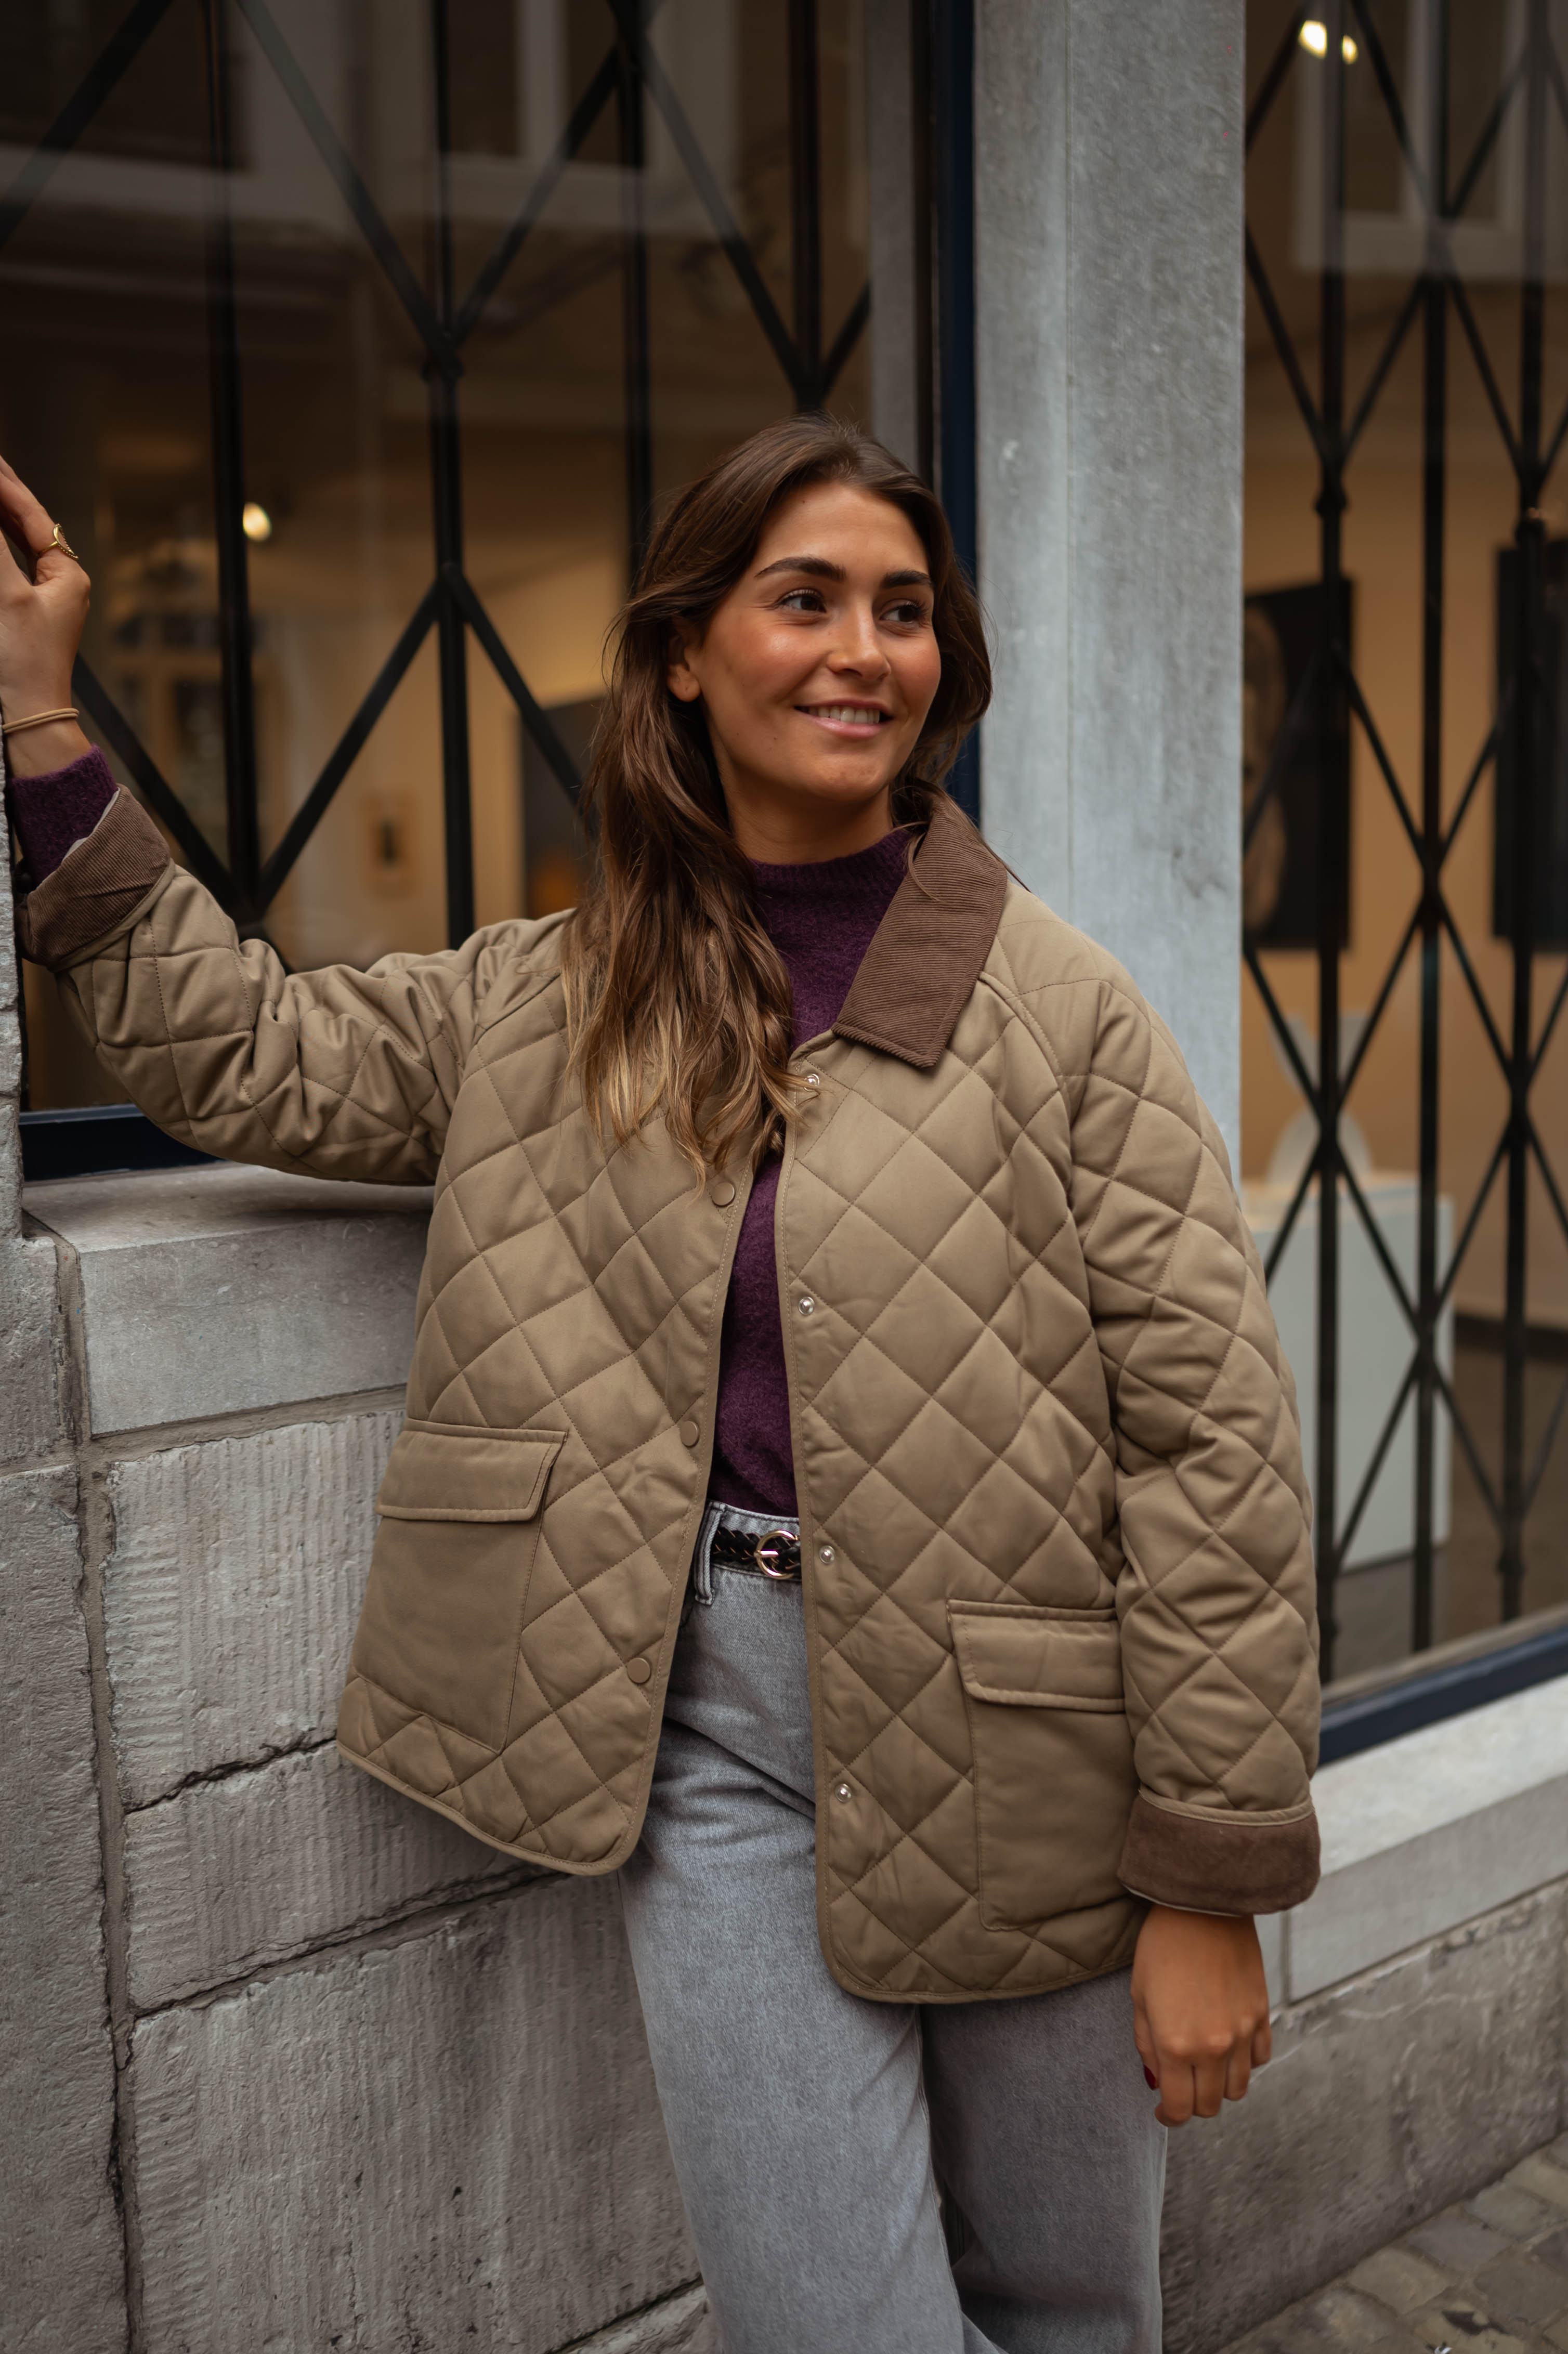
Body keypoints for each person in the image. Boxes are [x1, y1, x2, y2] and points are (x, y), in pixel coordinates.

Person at [0, 418, 1319, 2354]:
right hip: (704, 1739)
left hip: (1041, 1745)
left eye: (904, 609)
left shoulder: (1064, 1014)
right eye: (807, 600)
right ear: (687, 652)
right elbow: (247, 1056)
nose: (868, 649)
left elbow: (1212, 1443)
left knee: (1068, 2311)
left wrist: (1211, 1881)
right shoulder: (555, 996)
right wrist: (41, 727)